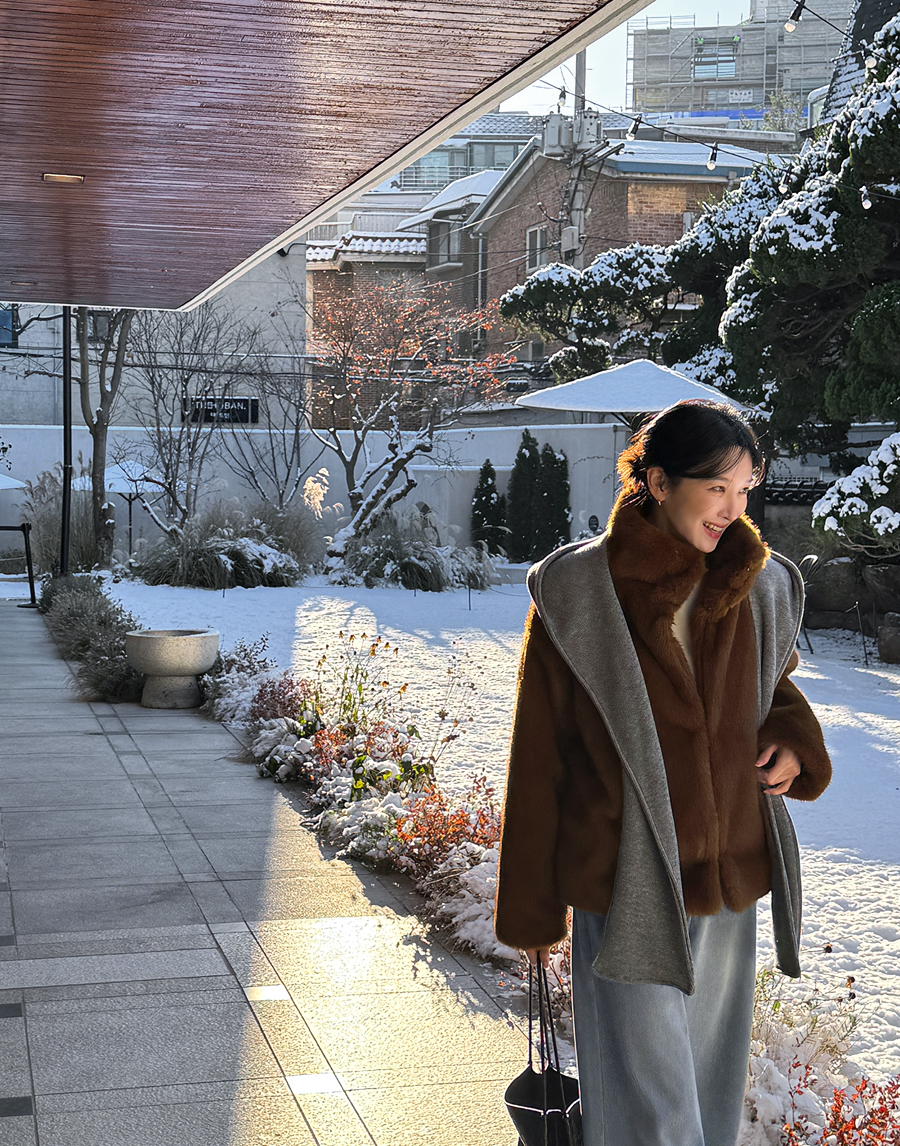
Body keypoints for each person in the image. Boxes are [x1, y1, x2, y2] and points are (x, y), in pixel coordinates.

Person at [494, 401, 831, 1146]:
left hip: (730, 880)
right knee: (648, 1109)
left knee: (708, 1095)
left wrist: (791, 743)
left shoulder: (759, 584)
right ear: (656, 481)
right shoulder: (581, 591)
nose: (733, 509)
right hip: (626, 884)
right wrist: (532, 908)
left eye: (745, 488)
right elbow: (540, 751)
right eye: (716, 487)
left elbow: (773, 691)